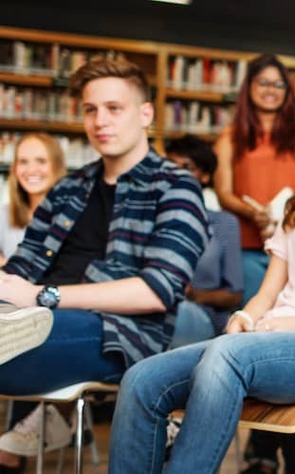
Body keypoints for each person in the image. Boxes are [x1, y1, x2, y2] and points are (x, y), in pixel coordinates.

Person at [108, 78, 295, 473]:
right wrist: (246, 317)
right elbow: (268, 291)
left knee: (226, 355)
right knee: (141, 379)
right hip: (273, 336)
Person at [0, 58, 208, 472]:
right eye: (91, 109)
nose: (100, 121)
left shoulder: (176, 186)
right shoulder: (68, 189)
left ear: (145, 113)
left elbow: (157, 290)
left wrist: (43, 296)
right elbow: (21, 267)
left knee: (28, 327)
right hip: (29, 317)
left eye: (115, 108)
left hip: (117, 333)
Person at [212, 54, 295, 305]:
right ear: (249, 86)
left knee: (289, 320)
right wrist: (254, 213)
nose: (271, 90)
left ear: (288, 90)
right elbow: (223, 192)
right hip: (248, 248)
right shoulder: (229, 137)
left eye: (278, 84)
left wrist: (285, 213)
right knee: (252, 321)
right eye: (263, 82)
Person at [163, 135, 244, 347]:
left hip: (199, 312)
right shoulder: (152, 218)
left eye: (187, 167)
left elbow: (234, 295)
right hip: (154, 308)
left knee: (174, 316)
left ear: (205, 176)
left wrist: (193, 295)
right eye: (170, 165)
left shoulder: (223, 223)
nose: (176, 173)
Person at [0, 133, 66, 265]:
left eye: (41, 161)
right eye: (23, 162)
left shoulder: (74, 216)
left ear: (56, 166)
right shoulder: (4, 215)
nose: (31, 170)